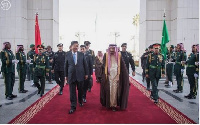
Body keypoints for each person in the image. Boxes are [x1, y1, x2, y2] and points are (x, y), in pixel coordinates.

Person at [100, 44, 130, 111]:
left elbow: (123, 66)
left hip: (116, 76)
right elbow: (103, 66)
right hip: (108, 76)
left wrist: (126, 76)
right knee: (109, 90)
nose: (111, 50)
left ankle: (113, 105)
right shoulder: (106, 55)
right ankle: (108, 104)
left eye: (113, 49)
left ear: (115, 49)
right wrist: (102, 76)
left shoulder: (119, 55)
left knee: (115, 91)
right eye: (110, 49)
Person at [65, 41, 89, 114]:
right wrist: (66, 75)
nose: (76, 47)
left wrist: (86, 74)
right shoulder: (67, 54)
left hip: (80, 75)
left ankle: (80, 100)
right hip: (71, 76)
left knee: (80, 90)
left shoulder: (81, 54)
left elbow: (85, 65)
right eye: (75, 46)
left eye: (77, 46)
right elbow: (65, 65)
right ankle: (73, 106)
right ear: (71, 46)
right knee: (72, 92)